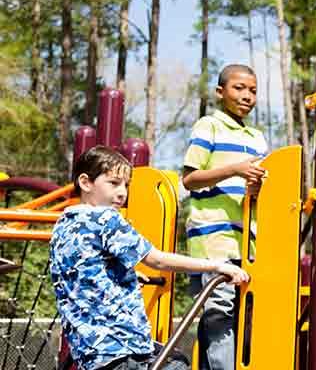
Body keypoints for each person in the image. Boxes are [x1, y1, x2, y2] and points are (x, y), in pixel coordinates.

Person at [50, 146, 250, 370]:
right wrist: (216, 265)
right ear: (86, 182)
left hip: (89, 351)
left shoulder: (64, 223)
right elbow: (157, 260)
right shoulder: (106, 217)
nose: (122, 192)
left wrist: (123, 273)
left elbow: (78, 268)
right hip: (120, 345)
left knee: (173, 358)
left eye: (126, 185)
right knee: (176, 365)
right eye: (114, 183)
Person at [181, 64, 268, 370]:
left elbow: (257, 191)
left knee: (238, 316)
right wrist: (234, 169)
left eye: (253, 90)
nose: (247, 96)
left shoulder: (257, 138)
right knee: (219, 311)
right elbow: (189, 179)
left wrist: (256, 187)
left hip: (247, 241)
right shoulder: (209, 126)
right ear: (221, 92)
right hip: (213, 238)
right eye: (239, 88)